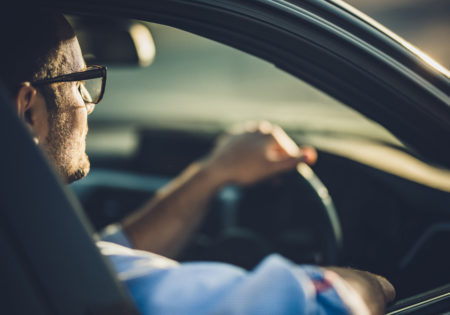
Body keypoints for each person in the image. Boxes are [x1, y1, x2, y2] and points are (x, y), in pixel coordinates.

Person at [1, 8, 395, 315]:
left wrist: (212, 175)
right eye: (79, 84)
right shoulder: (52, 281)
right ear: (27, 111)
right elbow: (317, 304)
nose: (89, 104)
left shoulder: (28, 248)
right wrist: (380, 286)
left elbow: (98, 257)